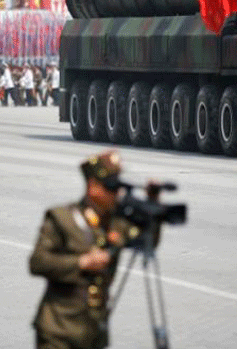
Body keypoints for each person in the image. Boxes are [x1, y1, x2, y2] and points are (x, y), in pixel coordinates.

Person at [29, 150, 158, 349]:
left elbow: (148, 241)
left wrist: (153, 202)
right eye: (112, 188)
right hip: (58, 331)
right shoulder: (62, 218)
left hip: (93, 332)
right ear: (93, 187)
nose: (117, 194)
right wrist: (82, 262)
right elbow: (37, 262)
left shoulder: (117, 224)